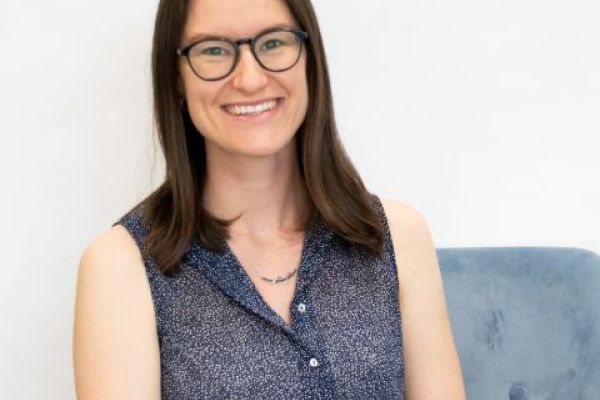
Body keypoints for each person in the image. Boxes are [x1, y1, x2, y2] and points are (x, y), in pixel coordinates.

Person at [73, 0, 465, 398]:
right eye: (213, 50)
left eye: (274, 42)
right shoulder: (120, 266)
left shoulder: (398, 235)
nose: (250, 79)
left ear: (308, 59)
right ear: (176, 76)